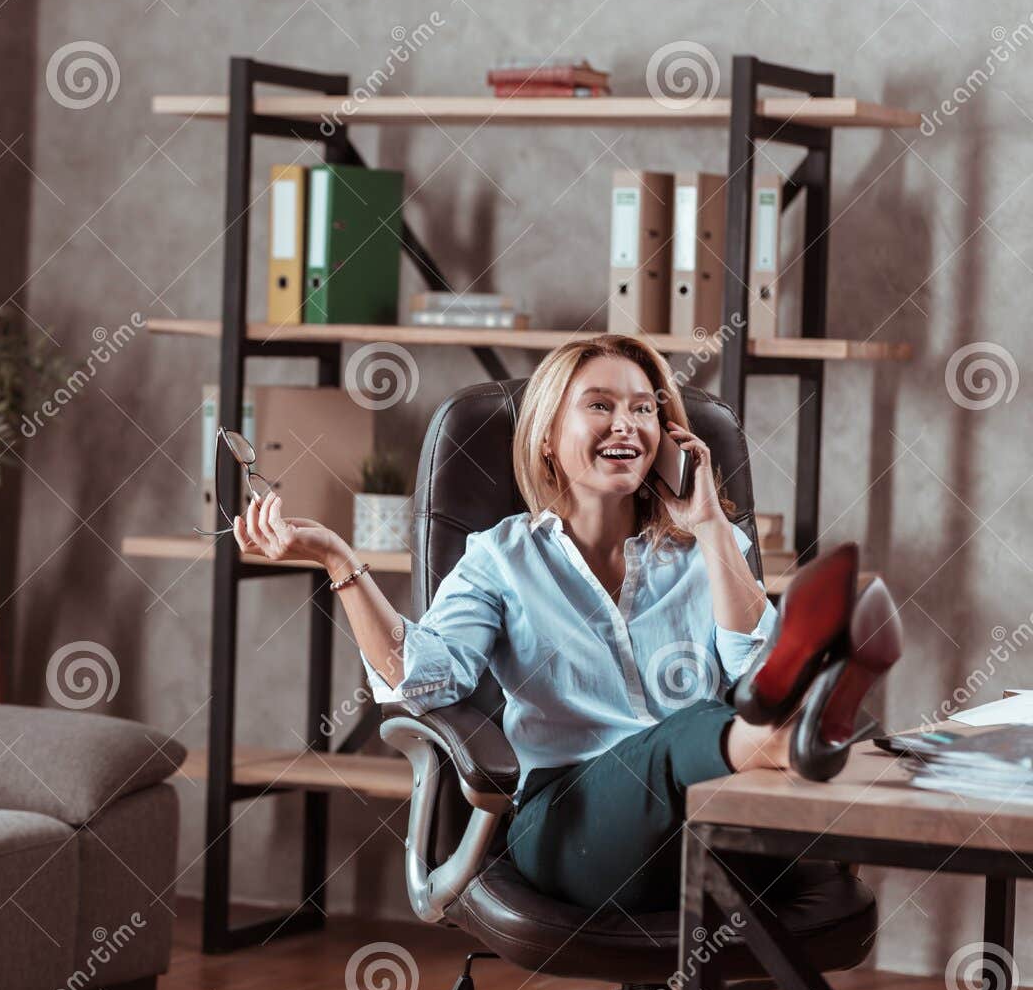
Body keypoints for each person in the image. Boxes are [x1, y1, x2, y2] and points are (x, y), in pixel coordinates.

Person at [230, 334, 900, 914]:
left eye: (645, 409)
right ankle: (803, 738)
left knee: (744, 717)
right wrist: (338, 561)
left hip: (707, 811)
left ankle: (801, 729)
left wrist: (714, 529)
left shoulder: (704, 551)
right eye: (601, 405)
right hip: (570, 824)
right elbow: (421, 678)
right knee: (691, 730)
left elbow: (757, 671)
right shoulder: (501, 555)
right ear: (549, 434)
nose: (627, 425)